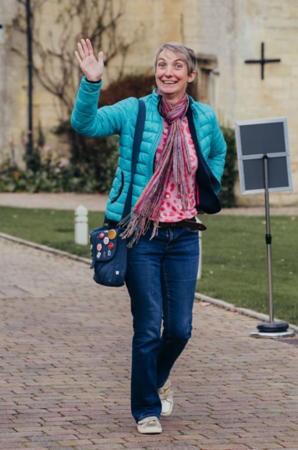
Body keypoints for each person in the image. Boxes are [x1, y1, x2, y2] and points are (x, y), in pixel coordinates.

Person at [72, 39, 227, 434]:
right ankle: (145, 409)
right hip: (140, 234)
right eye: (162, 64)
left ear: (190, 75)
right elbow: (85, 124)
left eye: (177, 66)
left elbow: (217, 153)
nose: (168, 71)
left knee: (179, 329)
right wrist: (92, 82)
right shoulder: (134, 110)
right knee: (147, 326)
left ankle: (156, 378)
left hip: (185, 235)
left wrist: (207, 188)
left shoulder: (204, 118)